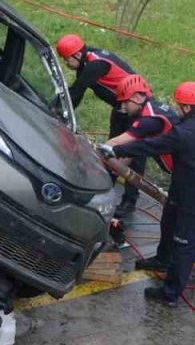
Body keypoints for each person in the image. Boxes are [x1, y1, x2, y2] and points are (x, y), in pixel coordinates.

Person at [101, 81, 195, 310]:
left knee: (185, 248)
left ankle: (170, 294)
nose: (177, 110)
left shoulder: (184, 133)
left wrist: (115, 150)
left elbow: (149, 146)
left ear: (186, 107)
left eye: (179, 106)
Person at [55, 33, 148, 219]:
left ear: (77, 55)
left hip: (138, 111)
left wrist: (54, 111)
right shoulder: (86, 64)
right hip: (120, 108)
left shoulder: (95, 65)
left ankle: (130, 201)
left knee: (134, 156)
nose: (65, 63)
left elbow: (75, 92)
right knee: (111, 151)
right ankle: (105, 188)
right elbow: (76, 96)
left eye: (66, 59)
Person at [100, 74, 179, 251]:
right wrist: (112, 170)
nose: (123, 107)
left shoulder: (149, 120)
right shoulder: (152, 110)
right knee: (176, 214)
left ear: (136, 97)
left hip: (190, 169)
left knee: (183, 215)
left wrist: (93, 155)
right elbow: (130, 152)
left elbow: (115, 143)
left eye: (125, 102)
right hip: (183, 167)